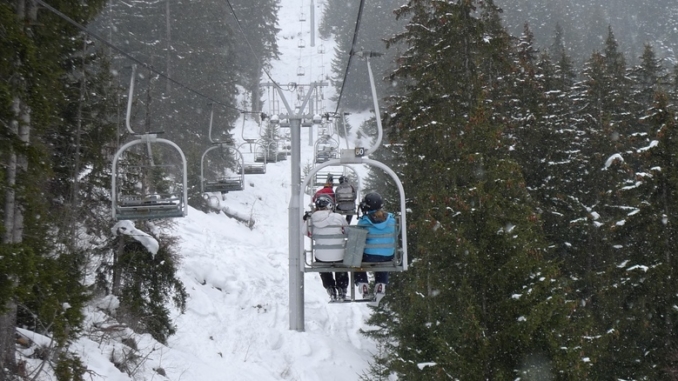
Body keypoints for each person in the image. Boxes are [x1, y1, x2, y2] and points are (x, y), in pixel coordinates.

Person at [353, 192, 397, 303]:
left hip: (369, 256)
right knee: (382, 259)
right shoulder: (392, 220)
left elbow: (358, 239)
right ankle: (381, 284)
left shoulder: (364, 221)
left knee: (357, 258)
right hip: (388, 255)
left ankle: (363, 283)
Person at [305, 195, 349, 301]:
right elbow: (347, 232)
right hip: (339, 256)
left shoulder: (311, 219)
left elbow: (305, 232)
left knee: (323, 264)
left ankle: (330, 287)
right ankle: (342, 288)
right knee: (340, 262)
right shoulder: (338, 217)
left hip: (322, 257)